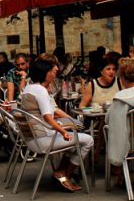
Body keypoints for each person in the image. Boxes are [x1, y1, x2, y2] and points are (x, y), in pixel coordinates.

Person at [20, 56, 94, 192]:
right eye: (52, 71)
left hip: (31, 139)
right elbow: (48, 117)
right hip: (43, 140)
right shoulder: (41, 91)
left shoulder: (29, 88)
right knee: (88, 140)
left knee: (73, 144)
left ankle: (60, 172)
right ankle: (66, 174)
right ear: (45, 73)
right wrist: (63, 131)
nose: (54, 73)